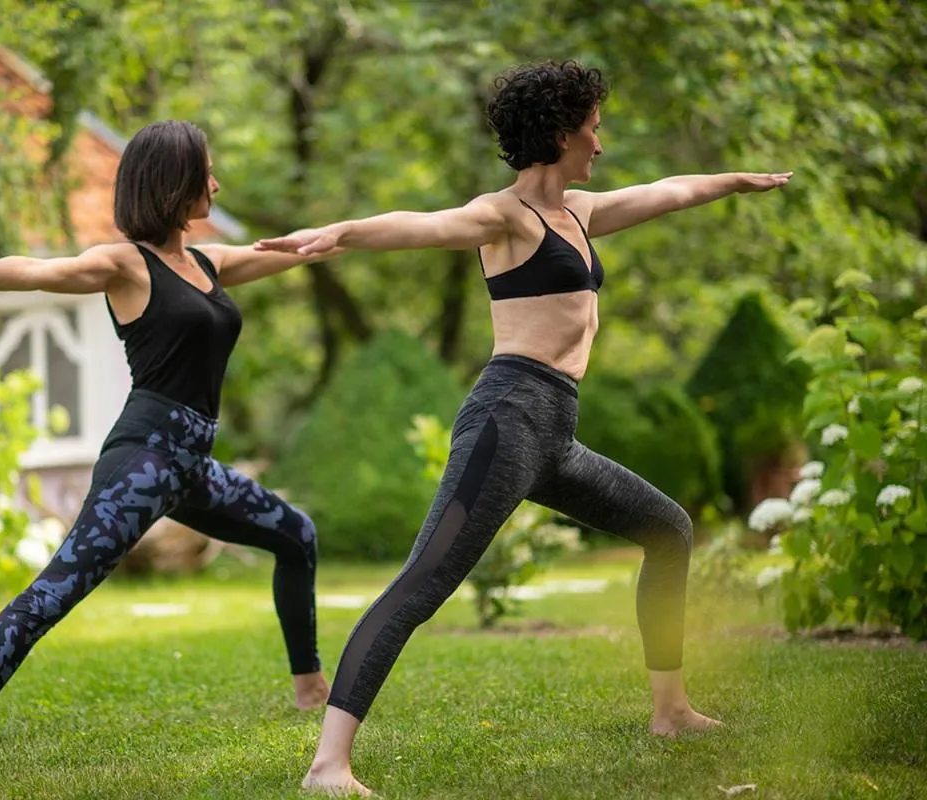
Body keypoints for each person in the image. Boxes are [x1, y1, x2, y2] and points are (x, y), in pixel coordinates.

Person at [255, 59, 792, 796]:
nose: (600, 145)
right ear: (562, 132)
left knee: (667, 529)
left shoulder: (580, 211)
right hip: (506, 420)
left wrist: (737, 181)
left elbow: (667, 193)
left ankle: (670, 710)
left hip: (554, 434)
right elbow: (424, 226)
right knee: (423, 583)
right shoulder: (507, 216)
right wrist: (339, 233)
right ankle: (328, 765)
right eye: (593, 129)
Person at [0, 120, 344, 762]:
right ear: (174, 182)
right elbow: (36, 271)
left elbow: (292, 252)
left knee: (295, 534)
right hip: (142, 462)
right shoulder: (125, 263)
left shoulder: (207, 262)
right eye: (206, 173)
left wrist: (344, 236)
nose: (217, 183)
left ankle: (311, 688)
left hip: (191, 463)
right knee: (59, 588)